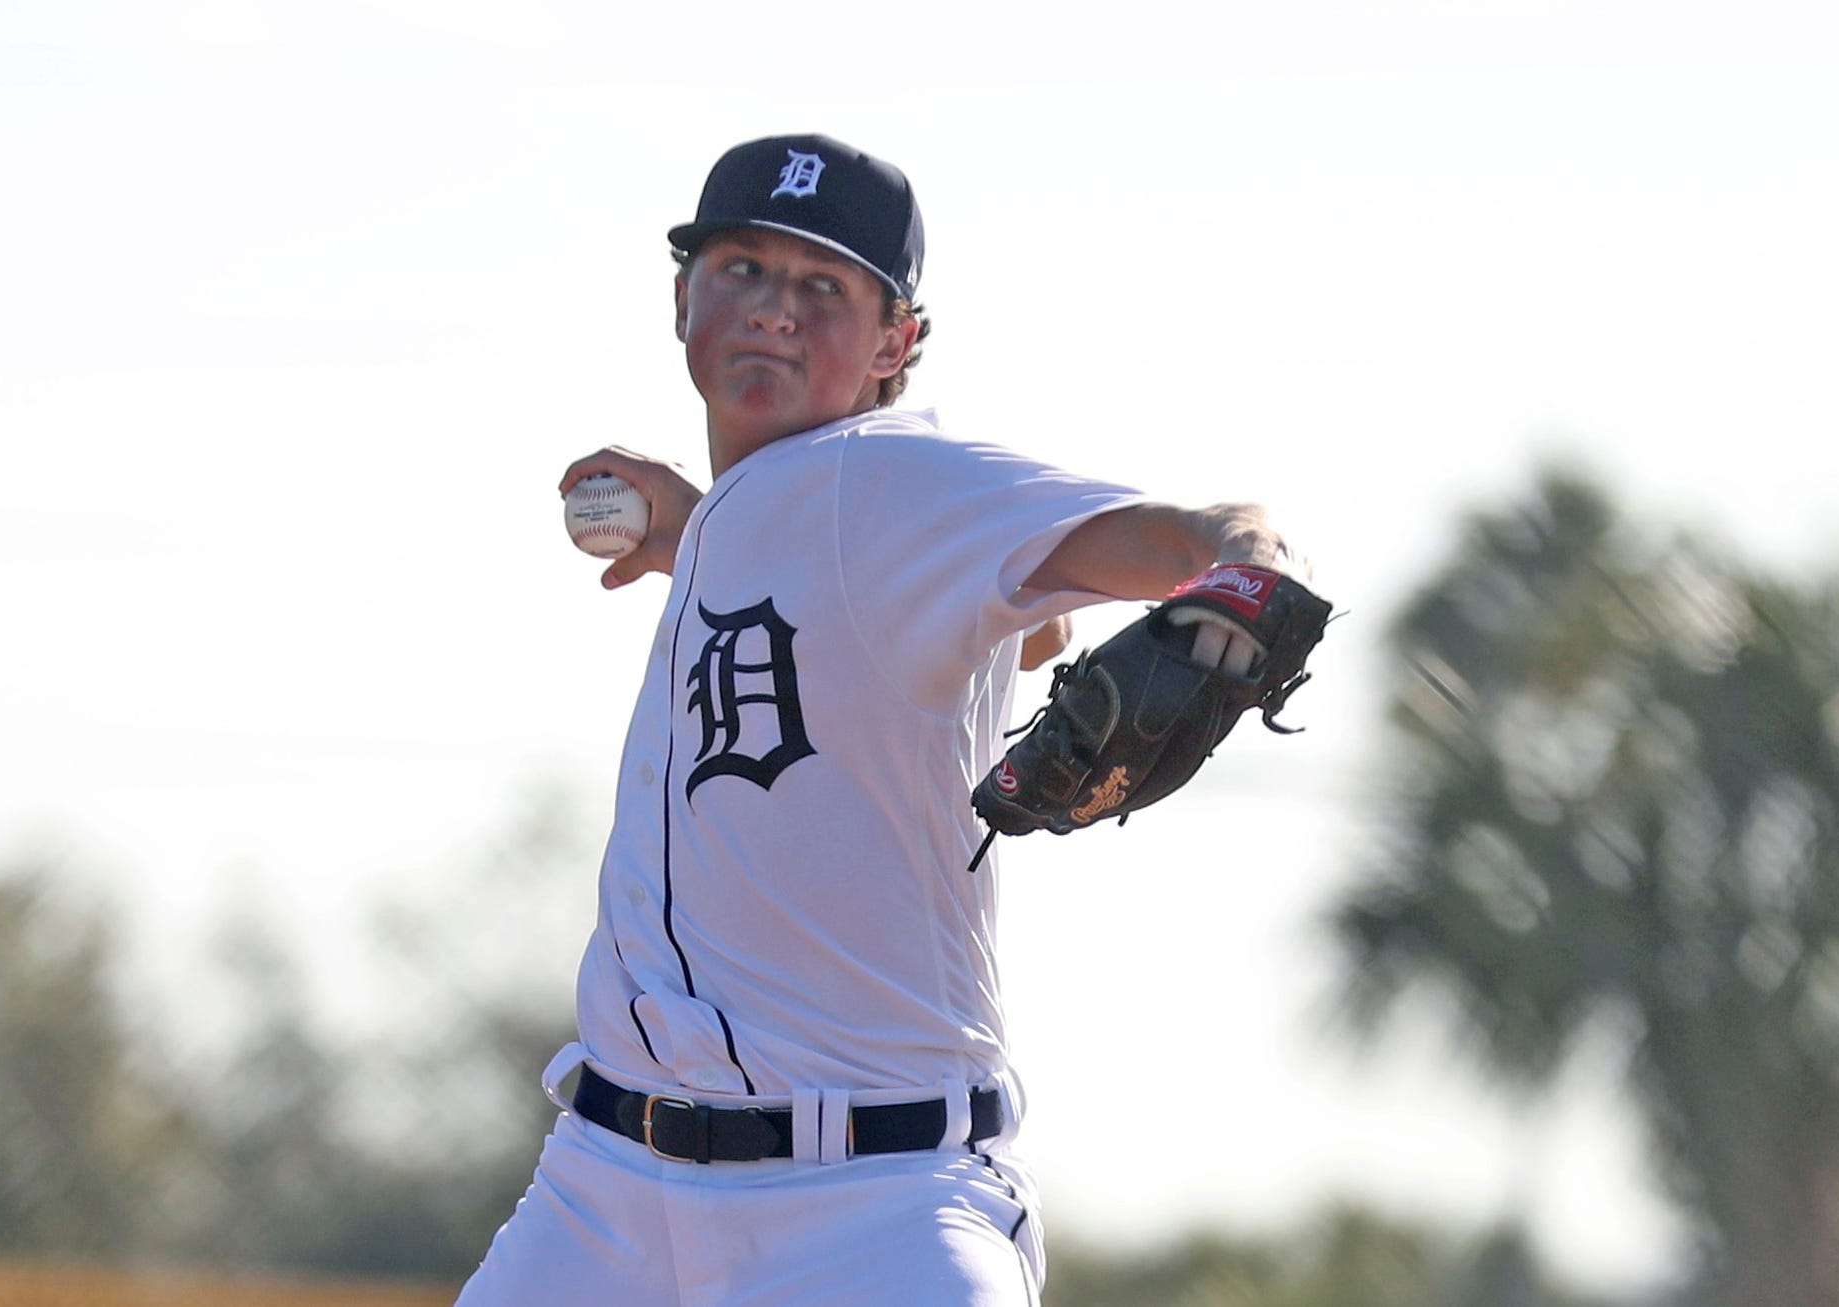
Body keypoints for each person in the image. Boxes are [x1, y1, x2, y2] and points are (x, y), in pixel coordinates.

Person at [456, 133, 1306, 1306]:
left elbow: (1182, 532)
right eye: (744, 267)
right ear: (680, 296)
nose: (772, 310)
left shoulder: (894, 477)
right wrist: (693, 531)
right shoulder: (776, 516)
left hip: (869, 1207)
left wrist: (1243, 560)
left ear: (897, 341)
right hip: (607, 1194)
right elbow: (906, 621)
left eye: (823, 287)